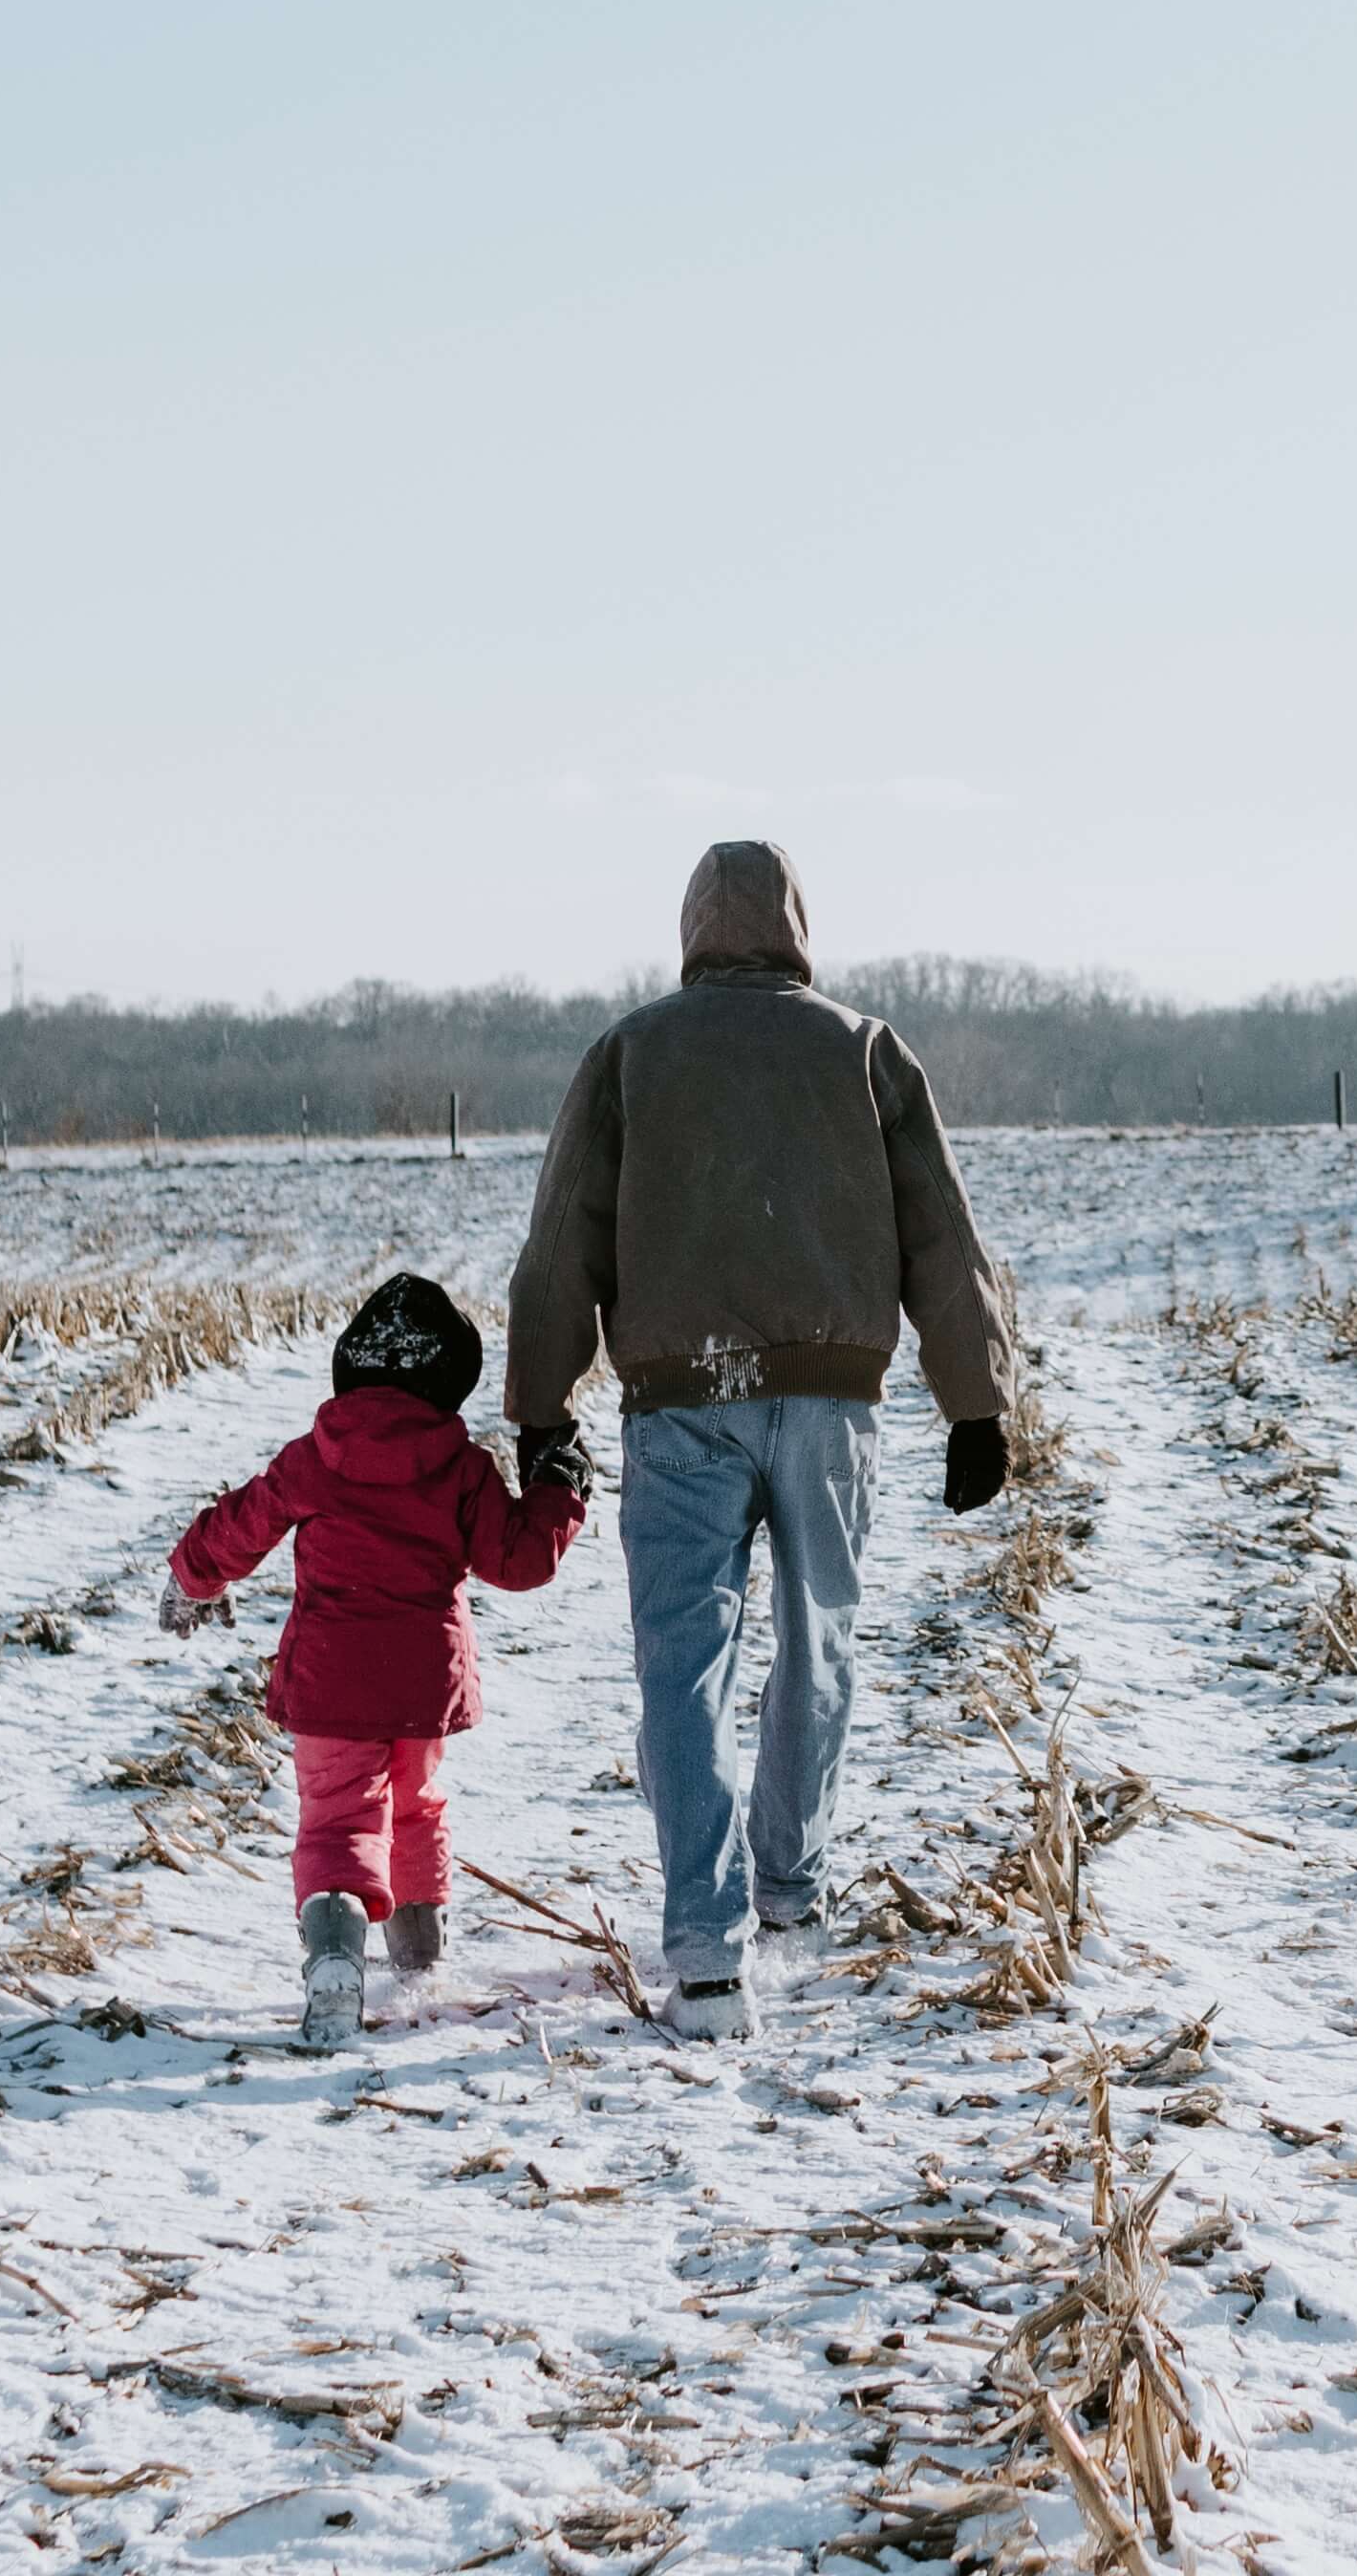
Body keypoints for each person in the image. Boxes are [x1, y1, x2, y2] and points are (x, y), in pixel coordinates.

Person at [509, 840, 1016, 2044]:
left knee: (684, 1665)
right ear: (797, 925)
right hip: (832, 1404)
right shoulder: (865, 1048)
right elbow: (942, 1233)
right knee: (816, 1640)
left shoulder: (631, 1052)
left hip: (680, 1400)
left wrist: (540, 1409)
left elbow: (563, 1236)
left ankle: (705, 1953)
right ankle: (790, 1893)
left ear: (691, 925)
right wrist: (977, 1401)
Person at [163, 1271, 588, 2049]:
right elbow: (520, 1559)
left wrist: (194, 1578)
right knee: (415, 1805)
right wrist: (559, 1484)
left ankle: (335, 1963)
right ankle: (421, 1961)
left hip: (331, 1682)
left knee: (338, 1816)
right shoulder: (461, 1467)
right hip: (422, 1685)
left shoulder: (314, 1459)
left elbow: (242, 1525)